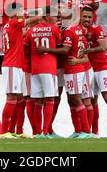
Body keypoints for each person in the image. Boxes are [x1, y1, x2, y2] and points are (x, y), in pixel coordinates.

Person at [36, 15, 93, 139]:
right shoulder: (70, 31)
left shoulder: (70, 32)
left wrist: (79, 61)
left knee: (73, 98)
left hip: (68, 68)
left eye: (61, 18)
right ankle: (51, 130)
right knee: (59, 99)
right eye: (57, 17)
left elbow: (69, 50)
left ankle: (84, 130)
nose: (59, 20)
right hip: (58, 67)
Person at [81, 7, 107, 138]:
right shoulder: (78, 30)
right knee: (93, 100)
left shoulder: (97, 29)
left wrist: (86, 51)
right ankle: (95, 132)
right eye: (85, 17)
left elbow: (102, 47)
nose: (87, 19)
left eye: (89, 17)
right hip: (89, 69)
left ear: (93, 17)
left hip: (101, 67)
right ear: (81, 17)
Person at [0, 3, 39, 139]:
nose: (23, 11)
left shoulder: (11, 25)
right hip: (12, 65)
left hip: (17, 65)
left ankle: (16, 130)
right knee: (11, 97)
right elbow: (34, 19)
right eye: (21, 9)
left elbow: (21, 32)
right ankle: (4, 132)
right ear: (15, 12)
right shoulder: (14, 22)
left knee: (20, 99)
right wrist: (43, 12)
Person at [24, 9, 61, 138]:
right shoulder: (54, 29)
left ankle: (38, 132)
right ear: (47, 16)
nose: (57, 18)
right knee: (50, 99)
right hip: (49, 68)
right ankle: (45, 131)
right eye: (55, 15)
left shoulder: (31, 30)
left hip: (34, 70)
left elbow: (26, 48)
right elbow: (59, 45)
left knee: (38, 101)